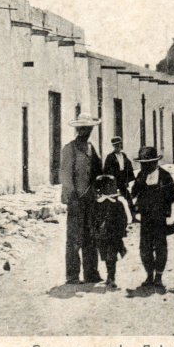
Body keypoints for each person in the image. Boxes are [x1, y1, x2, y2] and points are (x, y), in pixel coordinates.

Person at [60, 113, 103, 285]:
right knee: (74, 238)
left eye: (90, 128)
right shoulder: (69, 149)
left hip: (91, 199)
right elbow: (65, 176)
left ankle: (91, 273)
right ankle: (72, 275)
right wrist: (73, 196)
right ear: (78, 129)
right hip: (76, 200)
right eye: (84, 128)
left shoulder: (91, 148)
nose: (87, 131)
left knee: (91, 236)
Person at [131, 146, 174, 289]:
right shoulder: (140, 176)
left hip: (159, 217)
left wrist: (163, 206)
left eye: (148, 163)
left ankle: (159, 276)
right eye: (143, 164)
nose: (145, 166)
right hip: (145, 218)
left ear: (155, 162)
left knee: (160, 246)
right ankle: (149, 275)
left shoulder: (165, 176)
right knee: (145, 248)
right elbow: (134, 193)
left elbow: (172, 194)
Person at [93, 175, 130, 289]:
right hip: (102, 235)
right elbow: (93, 218)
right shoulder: (97, 204)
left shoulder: (117, 203)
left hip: (114, 235)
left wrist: (121, 230)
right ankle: (110, 275)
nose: (111, 188)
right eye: (108, 186)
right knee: (105, 255)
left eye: (112, 186)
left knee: (111, 256)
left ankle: (111, 277)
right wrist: (96, 229)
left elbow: (124, 219)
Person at [103, 136, 136, 220]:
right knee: (113, 200)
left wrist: (129, 178)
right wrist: (109, 181)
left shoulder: (124, 156)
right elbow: (106, 170)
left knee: (128, 197)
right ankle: (114, 219)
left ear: (121, 145)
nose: (117, 147)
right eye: (115, 145)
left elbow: (128, 167)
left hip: (122, 181)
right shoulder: (110, 157)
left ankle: (133, 216)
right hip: (114, 181)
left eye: (119, 145)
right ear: (113, 146)